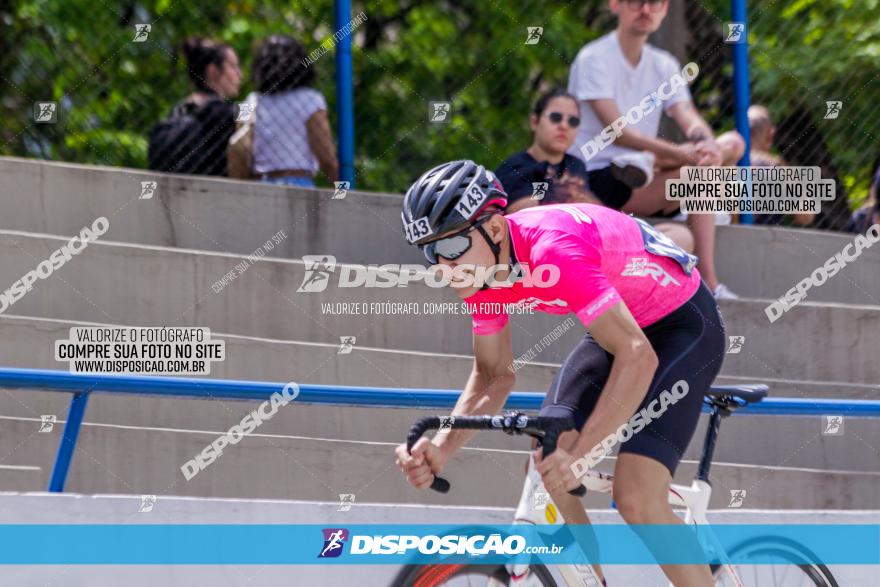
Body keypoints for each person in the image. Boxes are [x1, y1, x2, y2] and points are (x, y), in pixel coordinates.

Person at [395, 160, 726, 587]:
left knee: (637, 495)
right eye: (430, 252)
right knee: (548, 458)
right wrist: (441, 449)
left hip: (684, 325)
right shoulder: (479, 275)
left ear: (495, 230)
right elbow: (495, 376)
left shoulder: (553, 249)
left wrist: (583, 453)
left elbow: (637, 356)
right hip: (622, 323)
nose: (443, 266)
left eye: (453, 248)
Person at [567, 0, 745, 298]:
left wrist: (706, 144)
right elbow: (618, 132)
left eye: (657, 3)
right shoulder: (593, 58)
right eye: (637, 2)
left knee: (733, 144)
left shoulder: (664, 64)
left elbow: (688, 115)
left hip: (649, 168)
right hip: (600, 176)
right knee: (697, 175)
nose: (646, 10)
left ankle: (678, 195)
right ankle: (709, 284)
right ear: (615, 5)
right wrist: (684, 155)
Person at [496, 89, 693, 252]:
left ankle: (708, 283)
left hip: (595, 242)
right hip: (554, 251)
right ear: (534, 121)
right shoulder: (518, 165)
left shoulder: (576, 165)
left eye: (573, 121)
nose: (564, 125)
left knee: (680, 236)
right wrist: (553, 190)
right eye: (556, 117)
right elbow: (517, 214)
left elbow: (594, 209)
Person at [251, 35, 338, 187]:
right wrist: (343, 191)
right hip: (298, 182)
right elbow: (327, 160)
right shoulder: (311, 100)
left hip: (260, 185)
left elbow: (239, 144)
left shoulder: (252, 100)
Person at [148, 37, 242, 176]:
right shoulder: (230, 113)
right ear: (213, 71)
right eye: (233, 66)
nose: (240, 74)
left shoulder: (179, 110)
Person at [748, 105, 816, 227]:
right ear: (771, 134)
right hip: (763, 241)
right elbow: (806, 215)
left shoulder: (722, 159)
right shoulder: (776, 167)